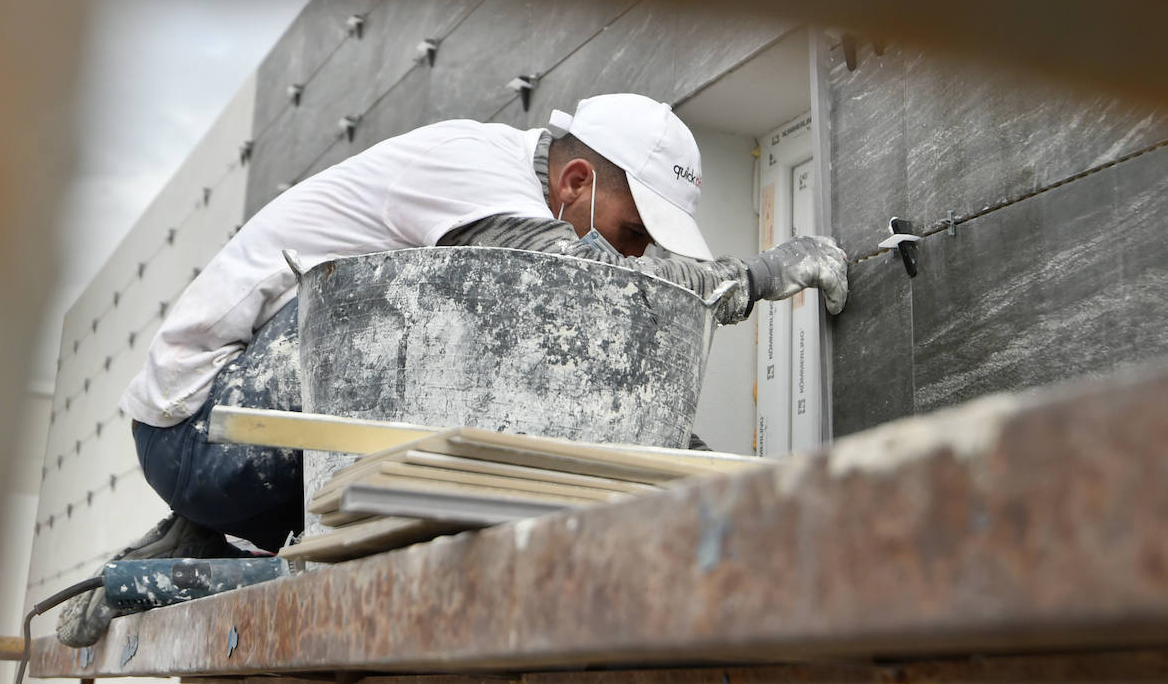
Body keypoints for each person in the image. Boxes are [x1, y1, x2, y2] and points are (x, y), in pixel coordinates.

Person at [59, 93, 847, 645]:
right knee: (492, 321)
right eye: (634, 231)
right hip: (201, 430)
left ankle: (190, 545)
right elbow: (596, 293)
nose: (635, 254)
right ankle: (197, 515)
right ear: (576, 184)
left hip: (270, 455)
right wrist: (762, 275)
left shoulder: (525, 186)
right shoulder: (472, 170)